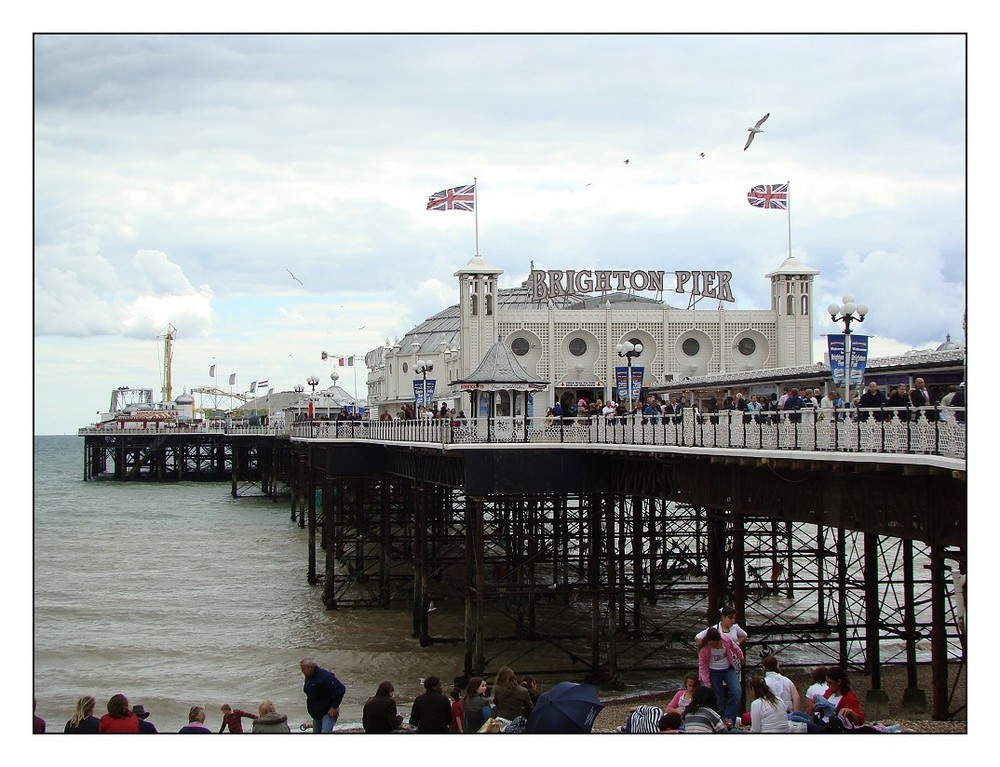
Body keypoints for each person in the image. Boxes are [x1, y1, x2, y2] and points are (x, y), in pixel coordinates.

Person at [697, 626, 744, 727]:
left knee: (737, 691)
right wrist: (707, 683)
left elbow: (735, 648)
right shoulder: (704, 649)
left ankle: (728, 718)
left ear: (717, 640)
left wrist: (741, 658)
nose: (711, 645)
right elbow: (703, 666)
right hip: (714, 671)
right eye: (709, 643)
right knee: (719, 699)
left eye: (712, 643)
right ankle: (720, 721)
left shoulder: (726, 640)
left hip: (728, 669)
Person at [300, 656, 346, 733]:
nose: (302, 671)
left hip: (328, 712)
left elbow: (341, 690)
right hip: (316, 714)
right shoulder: (308, 676)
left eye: (303, 669)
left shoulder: (325, 677)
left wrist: (334, 707)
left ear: (311, 668)